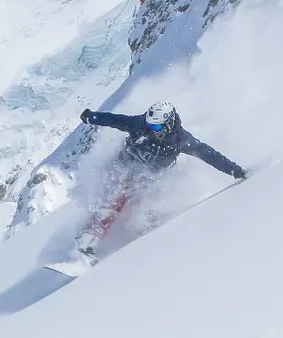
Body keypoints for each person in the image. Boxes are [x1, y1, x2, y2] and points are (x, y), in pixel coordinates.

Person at [73, 101, 245, 259]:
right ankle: (87, 242)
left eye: (156, 126)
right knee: (118, 196)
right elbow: (115, 120)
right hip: (127, 166)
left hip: (155, 177)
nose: (152, 129)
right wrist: (90, 117)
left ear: (168, 124)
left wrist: (235, 170)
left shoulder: (182, 140)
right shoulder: (141, 124)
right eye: (151, 124)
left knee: (150, 209)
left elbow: (210, 155)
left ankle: (139, 249)